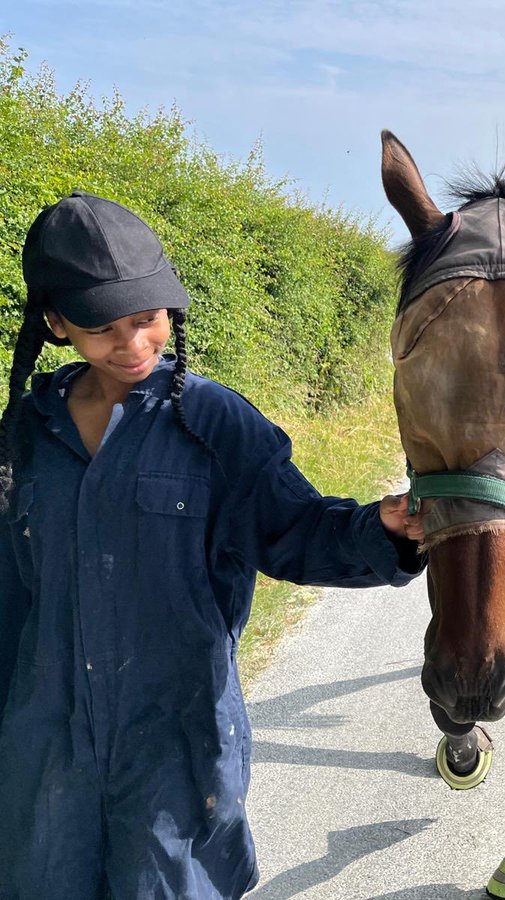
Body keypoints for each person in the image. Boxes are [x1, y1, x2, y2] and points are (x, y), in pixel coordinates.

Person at [0, 192, 426, 899]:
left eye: (147, 320)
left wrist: (380, 528)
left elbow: (295, 530)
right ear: (55, 324)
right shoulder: (23, 439)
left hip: (176, 750)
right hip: (44, 754)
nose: (134, 344)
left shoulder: (213, 424)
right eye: (104, 328)